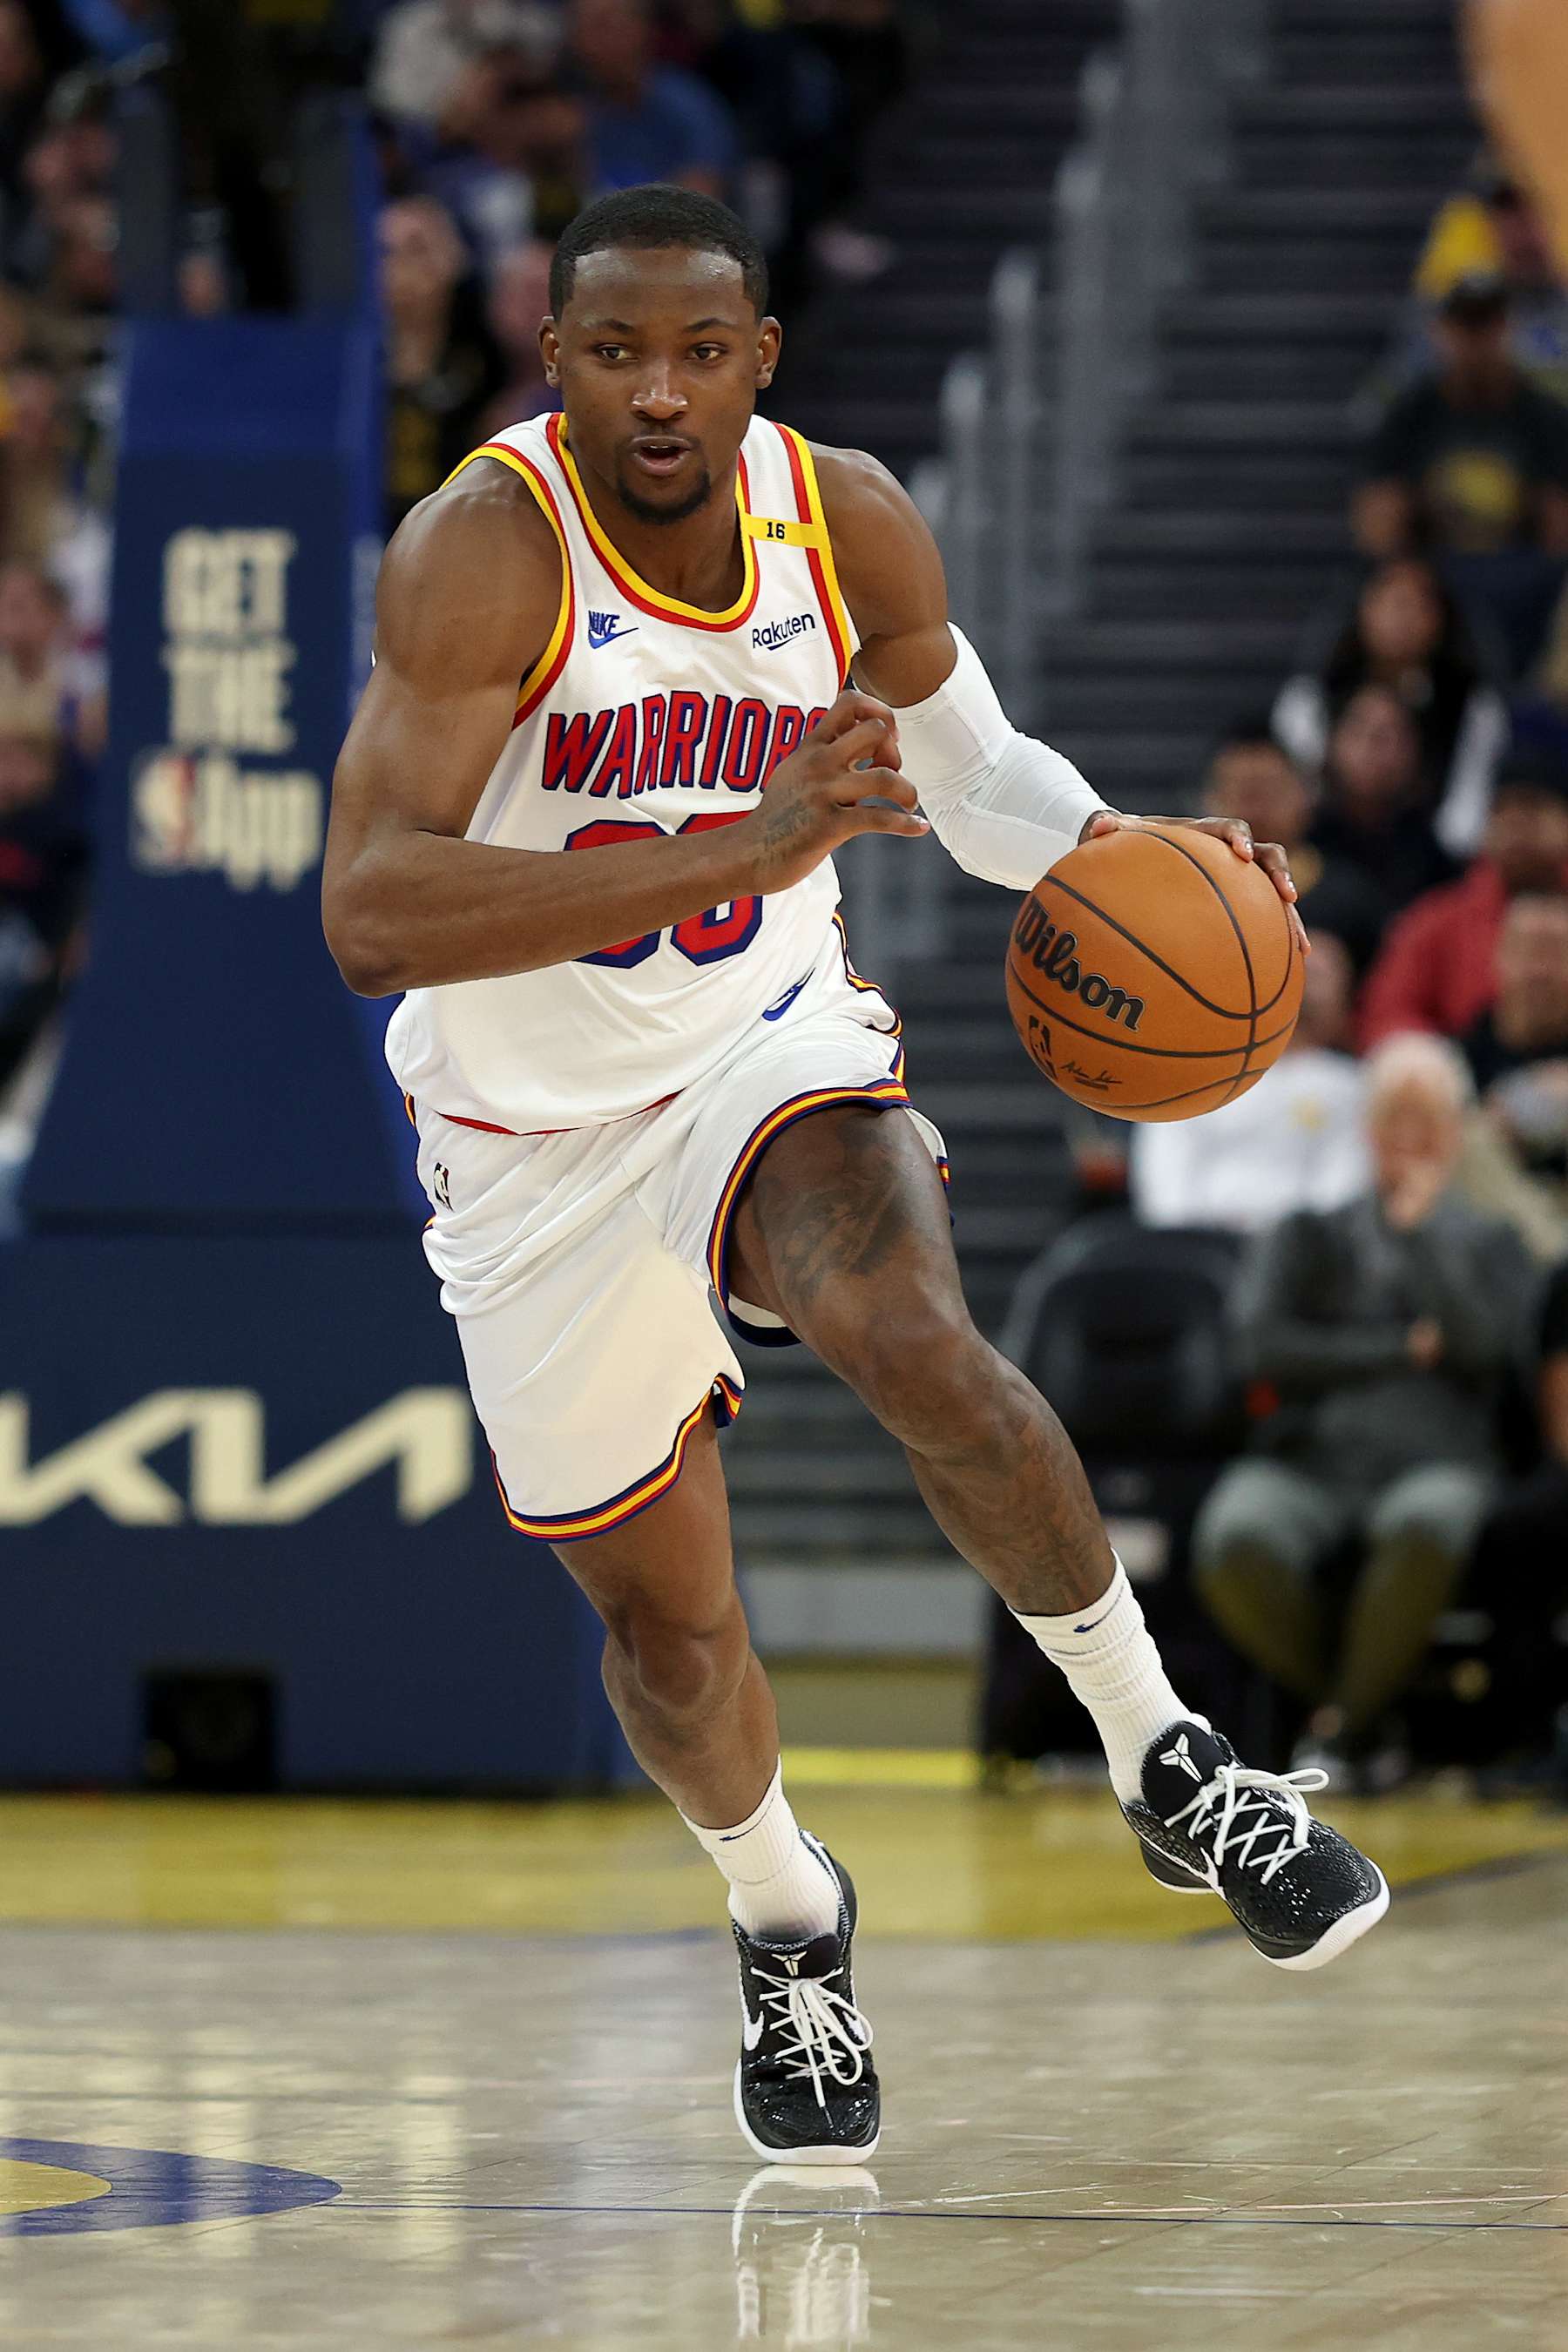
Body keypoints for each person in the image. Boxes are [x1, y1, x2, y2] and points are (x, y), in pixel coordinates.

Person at [324, 185, 1387, 2166]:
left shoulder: (846, 522)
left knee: (914, 1333)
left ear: (760, 362)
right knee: (674, 1641)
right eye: (615, 352)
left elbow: (969, 778)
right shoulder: (484, 552)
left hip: (766, 1044)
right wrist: (741, 845)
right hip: (527, 1144)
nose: (658, 392)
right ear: (554, 362)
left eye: (697, 352)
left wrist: (1130, 852)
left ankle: (1167, 1753)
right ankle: (787, 1915)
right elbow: (372, 911)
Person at [1193, 1034, 1534, 1788]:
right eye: (1393, 1117)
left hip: (1441, 1460)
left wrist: (1421, 1237)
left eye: (1426, 1119)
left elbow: (1490, 1351)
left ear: (1456, 1132)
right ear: (1366, 1129)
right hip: (1315, 1460)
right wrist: (1399, 1348)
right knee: (1235, 1534)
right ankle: (1360, 1717)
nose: (1408, 1136)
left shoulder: (1492, 1240)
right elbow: (1260, 1347)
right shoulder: (1312, 1232)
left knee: (1428, 1523)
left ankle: (1340, 1732)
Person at [1354, 272, 1568, 675]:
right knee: (1384, 594)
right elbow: (1376, 526)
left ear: (1507, 330)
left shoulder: (1544, 418)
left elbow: (1559, 531)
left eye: (1488, 325)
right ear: (1442, 331)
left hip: (1521, 581)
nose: (1477, 341)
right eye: (1467, 325)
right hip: (1434, 578)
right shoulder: (1410, 415)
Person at [1132, 931, 1369, 1235]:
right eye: (1296, 968)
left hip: (1296, 1248)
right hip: (1198, 1243)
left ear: (1345, 998)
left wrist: (1291, 1241)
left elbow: (1342, 1186)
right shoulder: (1198, 1075)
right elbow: (1166, 1178)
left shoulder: (1349, 1088)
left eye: (1321, 975)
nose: (1306, 981)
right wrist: (1187, 1238)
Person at [1272, 558, 1508, 857]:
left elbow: (1465, 816)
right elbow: (1300, 793)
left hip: (1430, 856)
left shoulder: (1470, 706)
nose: (1404, 618)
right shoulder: (1311, 697)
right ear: (1364, 608)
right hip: (1324, 847)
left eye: (1419, 605)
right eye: (1393, 603)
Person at [1361, 753, 1568, 1047]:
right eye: (1501, 811)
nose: (1515, 826)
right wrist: (1444, 1060)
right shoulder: (1438, 919)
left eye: (1531, 809)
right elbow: (1387, 1014)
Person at [1201, 721, 1389, 977]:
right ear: (1210, 800)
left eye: (1269, 792)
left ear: (1305, 795)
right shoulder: (1189, 892)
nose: (1255, 811)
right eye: (1243, 793)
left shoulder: (1353, 899)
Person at [381, 196, 506, 532]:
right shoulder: (351, 364)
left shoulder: (488, 352)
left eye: (417, 249)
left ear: (454, 258)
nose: (401, 268)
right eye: (387, 253)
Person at [1310, 683, 1459, 917]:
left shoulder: (1434, 862)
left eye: (1391, 735)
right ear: (1332, 741)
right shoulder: (1303, 841)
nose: (1373, 746)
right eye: (1360, 729)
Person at [568, 0, 736, 199]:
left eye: (602, 26)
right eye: (581, 29)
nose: (588, 42)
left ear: (641, 30)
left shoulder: (688, 106)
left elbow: (703, 197)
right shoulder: (581, 113)